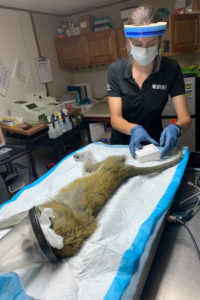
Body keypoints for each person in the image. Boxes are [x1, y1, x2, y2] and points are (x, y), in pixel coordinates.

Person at [107, 4, 191, 159]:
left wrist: (177, 128)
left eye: (151, 43)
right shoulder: (116, 70)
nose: (144, 50)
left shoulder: (171, 69)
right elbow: (115, 118)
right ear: (129, 41)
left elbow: (185, 117)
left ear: (159, 41)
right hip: (121, 146)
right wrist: (134, 129)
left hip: (154, 144)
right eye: (138, 44)